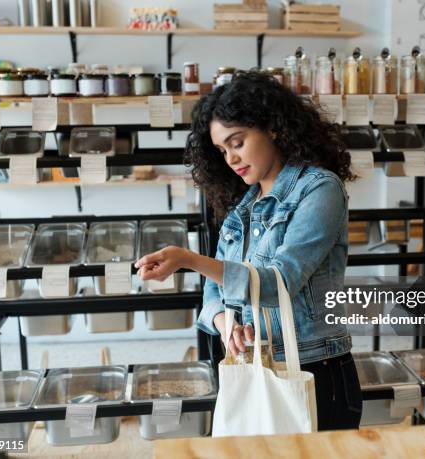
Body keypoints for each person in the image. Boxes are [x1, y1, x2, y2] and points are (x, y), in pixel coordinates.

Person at [135, 71, 362, 430]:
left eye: (237, 142)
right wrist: (228, 325)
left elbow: (278, 283)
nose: (231, 158)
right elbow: (215, 292)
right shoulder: (242, 209)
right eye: (222, 151)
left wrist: (188, 259)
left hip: (316, 372)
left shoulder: (320, 190)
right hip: (255, 367)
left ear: (272, 127)